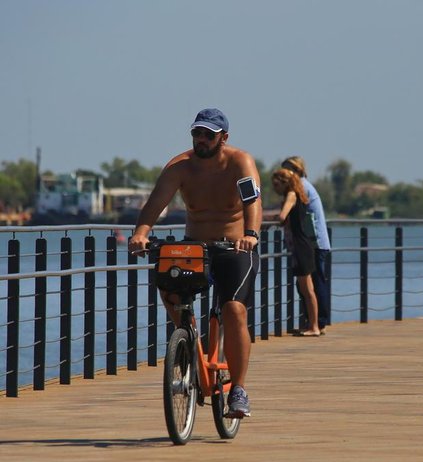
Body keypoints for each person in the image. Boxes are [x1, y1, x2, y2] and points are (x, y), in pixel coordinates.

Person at [128, 108, 262, 417]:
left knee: (233, 309)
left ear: (223, 138)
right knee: (166, 277)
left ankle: (239, 389)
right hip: (196, 246)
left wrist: (251, 235)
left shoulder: (240, 162)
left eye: (208, 135)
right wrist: (141, 232)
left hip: (235, 248)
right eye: (196, 133)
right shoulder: (180, 167)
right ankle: (186, 338)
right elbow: (155, 203)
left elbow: (252, 202)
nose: (201, 140)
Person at [281, 156, 331, 334]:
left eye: (288, 170)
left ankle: (318, 323)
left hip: (313, 242)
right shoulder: (302, 186)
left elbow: (287, 213)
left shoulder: (299, 187)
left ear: (297, 170)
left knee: (314, 284)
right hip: (310, 242)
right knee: (308, 285)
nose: (285, 174)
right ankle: (314, 322)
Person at [271, 167, 321, 336]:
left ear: (284, 183)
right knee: (306, 289)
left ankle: (314, 326)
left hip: (300, 247)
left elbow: (282, 217)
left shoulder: (291, 195)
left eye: (276, 184)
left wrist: (272, 218)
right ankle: (311, 325)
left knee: (307, 290)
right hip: (301, 245)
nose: (274, 188)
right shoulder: (294, 194)